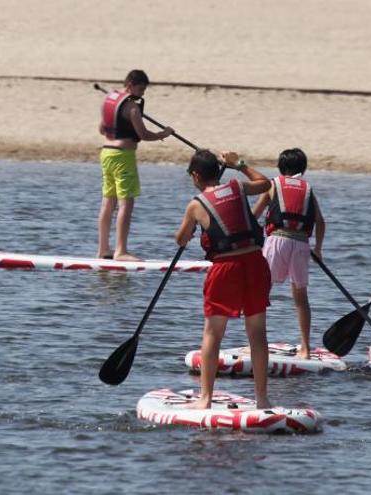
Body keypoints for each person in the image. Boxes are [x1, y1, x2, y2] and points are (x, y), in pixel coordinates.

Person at [175, 150, 272, 409]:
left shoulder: (196, 204)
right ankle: (262, 399)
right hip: (255, 264)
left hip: (225, 270)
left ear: (196, 175)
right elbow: (266, 183)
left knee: (213, 334)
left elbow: (180, 240)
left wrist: (194, 224)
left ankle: (205, 399)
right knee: (257, 334)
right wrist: (239, 165)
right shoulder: (237, 187)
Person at [251, 149, 325, 359]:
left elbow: (253, 216)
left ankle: (257, 344)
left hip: (277, 241)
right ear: (303, 168)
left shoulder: (273, 185)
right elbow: (320, 222)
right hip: (301, 245)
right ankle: (306, 348)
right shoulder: (308, 188)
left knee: (261, 293)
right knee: (301, 298)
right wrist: (318, 249)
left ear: (280, 169)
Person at [97, 70, 174, 261]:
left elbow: (101, 129)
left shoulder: (109, 100)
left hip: (106, 154)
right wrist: (163, 134)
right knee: (126, 203)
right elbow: (143, 135)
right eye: (141, 89)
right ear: (130, 84)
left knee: (108, 202)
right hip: (123, 157)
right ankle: (120, 251)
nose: (142, 94)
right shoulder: (132, 107)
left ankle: (103, 249)